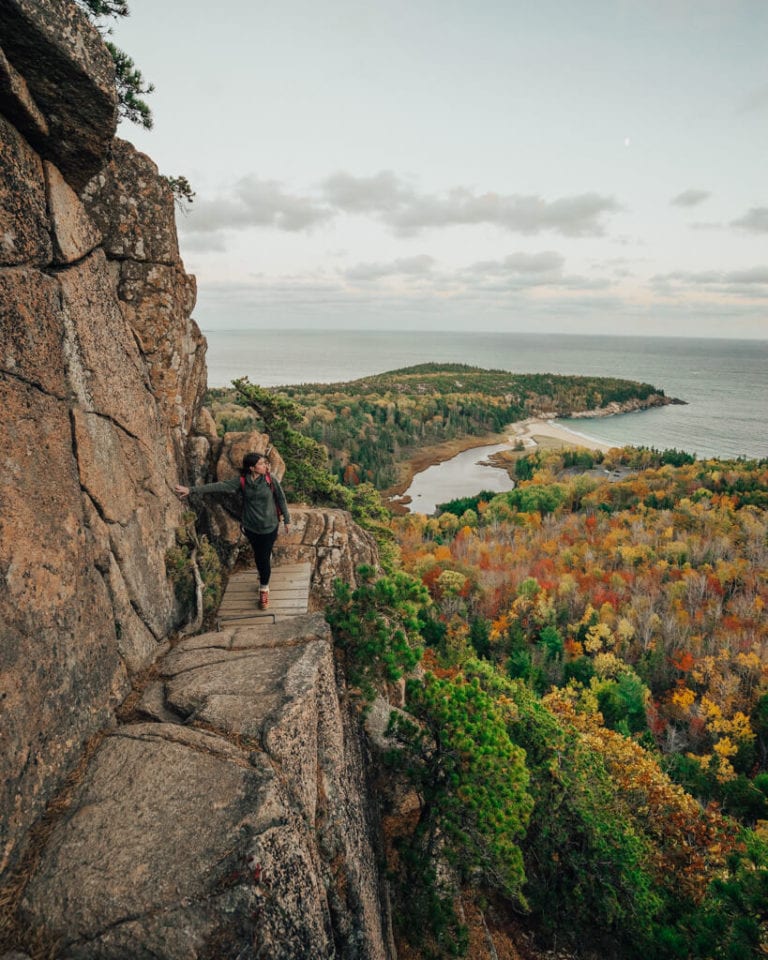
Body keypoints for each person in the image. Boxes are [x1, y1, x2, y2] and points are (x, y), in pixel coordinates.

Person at [175, 452, 290, 609]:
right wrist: (191, 490)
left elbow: (281, 499)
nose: (266, 466)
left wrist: (287, 520)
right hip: (251, 527)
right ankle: (263, 570)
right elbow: (219, 486)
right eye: (262, 464)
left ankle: (264, 589)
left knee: (263, 558)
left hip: (270, 526)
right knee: (259, 555)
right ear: (252, 468)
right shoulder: (243, 482)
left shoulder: (270, 480)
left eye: (265, 463)